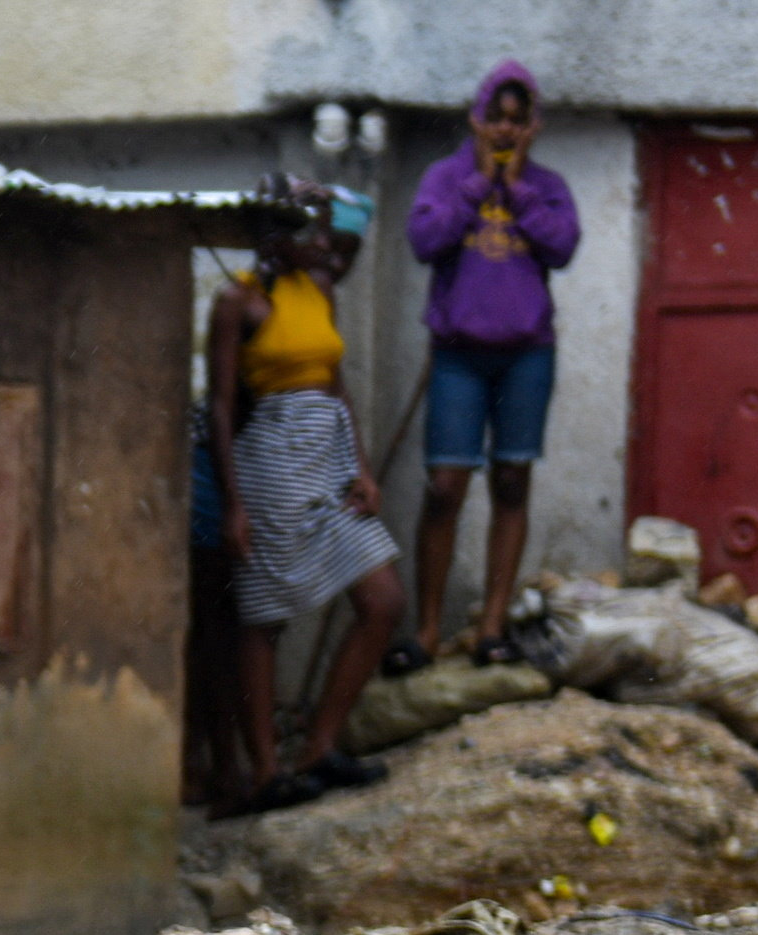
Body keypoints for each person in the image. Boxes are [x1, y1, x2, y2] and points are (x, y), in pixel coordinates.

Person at [206, 184, 418, 813]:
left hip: (327, 459)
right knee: (265, 618)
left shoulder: (319, 292)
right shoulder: (237, 301)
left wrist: (361, 468)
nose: (325, 244)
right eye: (312, 232)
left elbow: (336, 383)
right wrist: (234, 504)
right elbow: (220, 407)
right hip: (270, 461)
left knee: (383, 600)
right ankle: (267, 772)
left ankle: (319, 747)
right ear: (276, 235)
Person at [405, 61, 580, 660]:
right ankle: (427, 631)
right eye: (495, 118)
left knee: (511, 481)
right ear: (476, 119)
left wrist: (519, 190)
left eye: (517, 119)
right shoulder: (444, 177)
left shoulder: (547, 184)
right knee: (445, 487)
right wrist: (480, 184)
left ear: (533, 126)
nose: (505, 130)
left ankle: (492, 629)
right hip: (458, 357)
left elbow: (563, 246)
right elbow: (424, 241)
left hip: (526, 356)